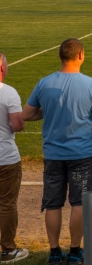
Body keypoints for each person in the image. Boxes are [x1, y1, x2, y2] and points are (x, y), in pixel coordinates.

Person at [22, 39, 92, 265]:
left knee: (52, 203)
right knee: (79, 203)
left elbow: (27, 114)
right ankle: (75, 251)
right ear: (81, 55)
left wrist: (49, 111)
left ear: (60, 56)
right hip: (82, 154)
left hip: (53, 155)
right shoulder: (91, 84)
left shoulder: (44, 83)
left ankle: (54, 252)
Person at [0, 53, 28, 263]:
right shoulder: (9, 93)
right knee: (7, 204)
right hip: (5, 157)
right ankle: (8, 248)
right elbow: (17, 125)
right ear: (2, 68)